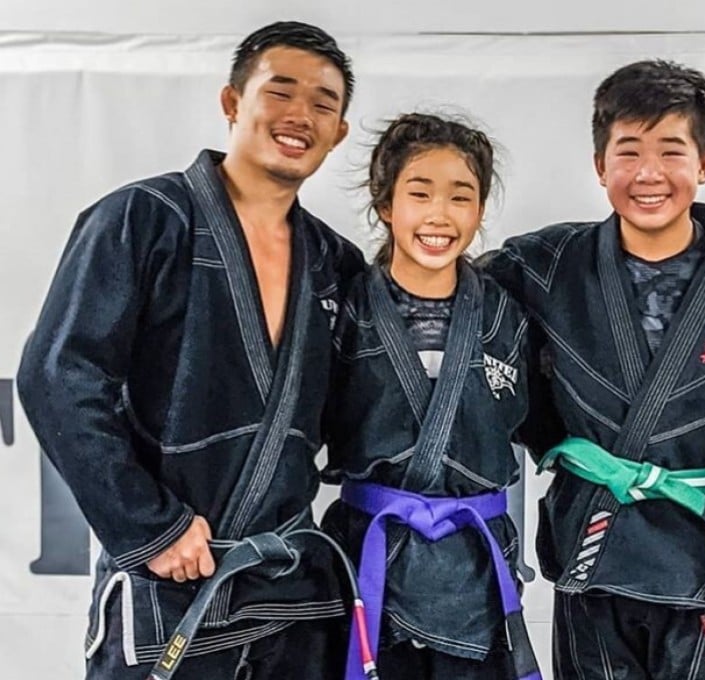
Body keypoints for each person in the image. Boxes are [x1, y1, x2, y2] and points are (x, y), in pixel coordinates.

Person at [16, 21, 365, 680]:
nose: (301, 115)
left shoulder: (335, 263)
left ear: (340, 132)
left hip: (290, 590)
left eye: (324, 103)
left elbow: (353, 417)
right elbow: (59, 373)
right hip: (173, 577)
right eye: (279, 91)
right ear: (233, 102)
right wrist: (151, 526)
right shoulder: (141, 219)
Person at [481, 60, 705, 679]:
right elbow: (460, 326)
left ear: (704, 164)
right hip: (594, 551)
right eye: (628, 152)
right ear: (600, 166)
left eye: (671, 151)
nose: (649, 174)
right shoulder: (543, 267)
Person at [320, 113, 542, 680]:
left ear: (481, 210)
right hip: (370, 562)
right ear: (386, 204)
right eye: (420, 194)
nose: (439, 215)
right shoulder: (348, 311)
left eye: (460, 197)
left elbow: (520, 417)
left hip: (472, 571)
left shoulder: (504, 316)